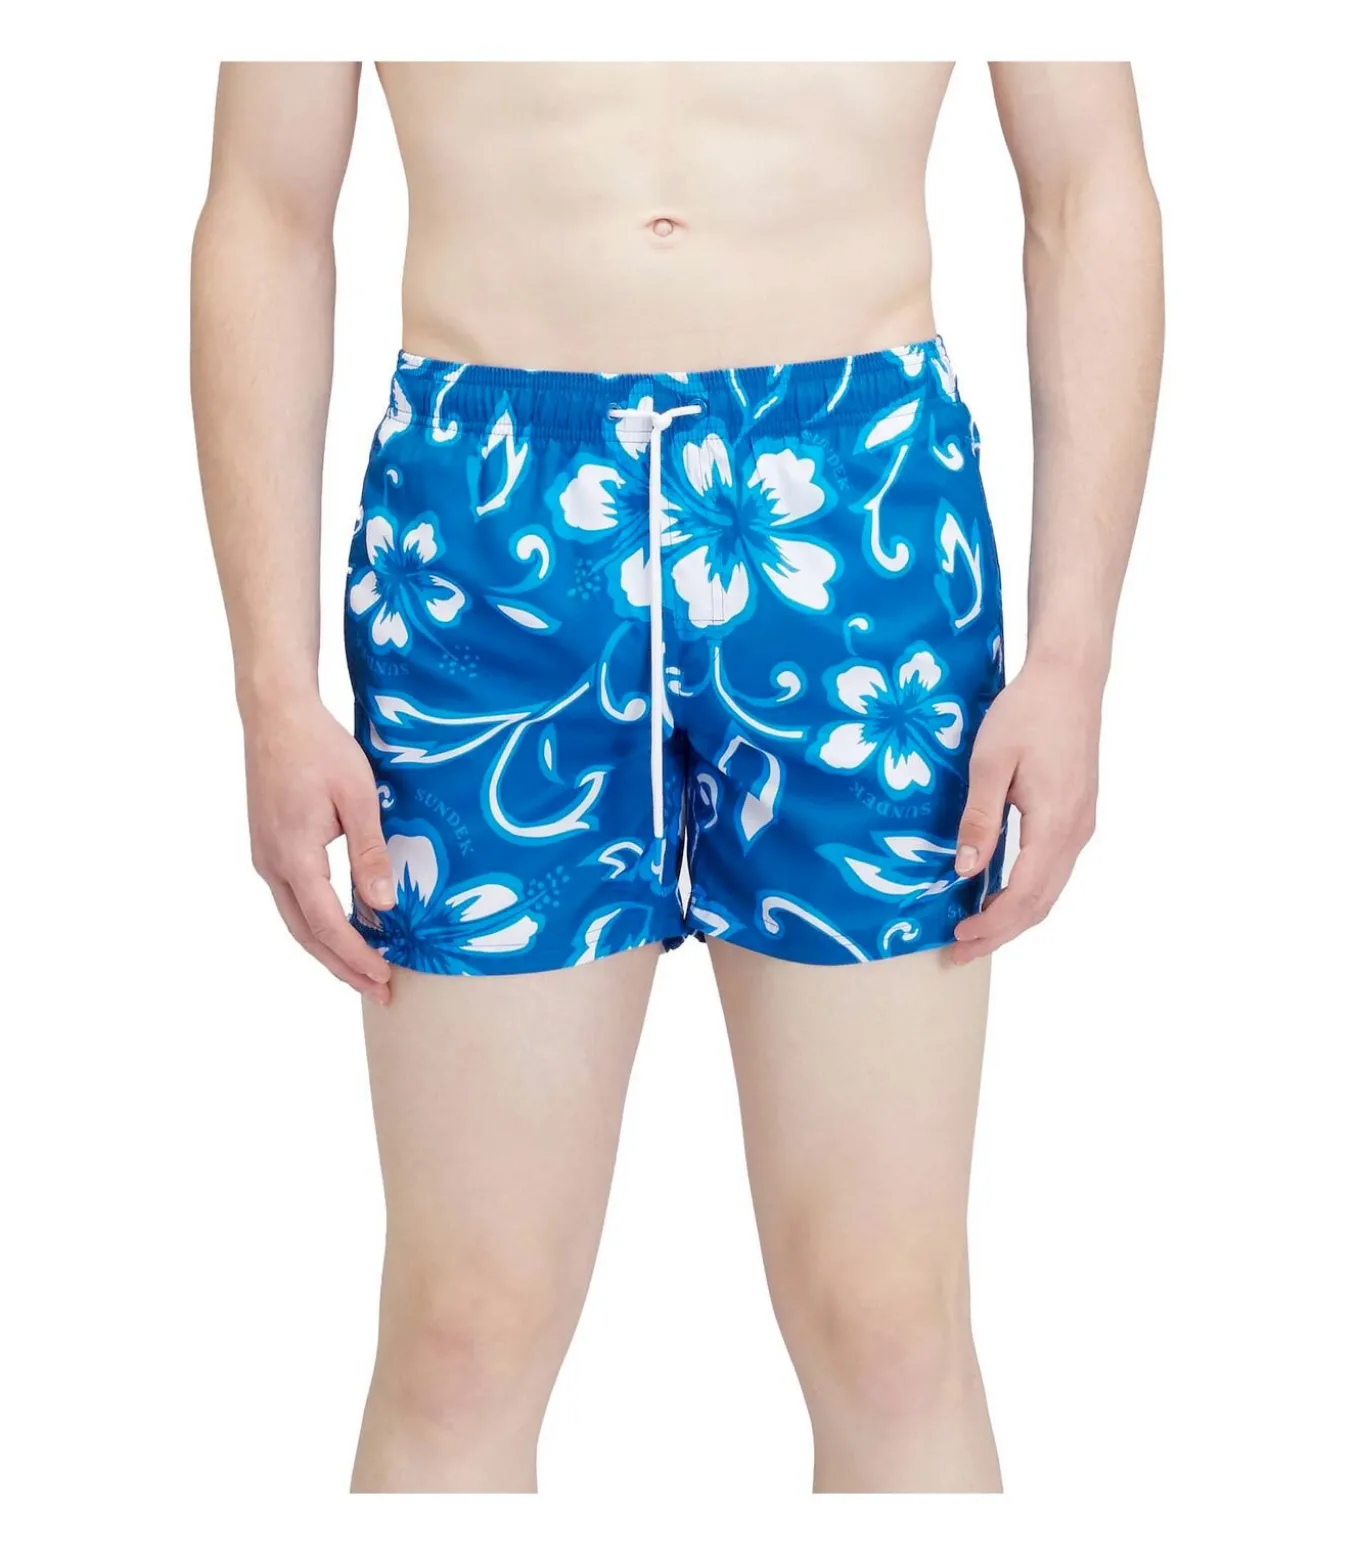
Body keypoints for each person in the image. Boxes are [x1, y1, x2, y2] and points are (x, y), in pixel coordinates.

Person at [190, 61, 1162, 1493]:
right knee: (465, 1324)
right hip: (486, 543)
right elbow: (266, 211)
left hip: (855, 520)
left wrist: (1074, 657)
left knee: (887, 1319)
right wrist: (271, 687)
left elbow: (1089, 188)